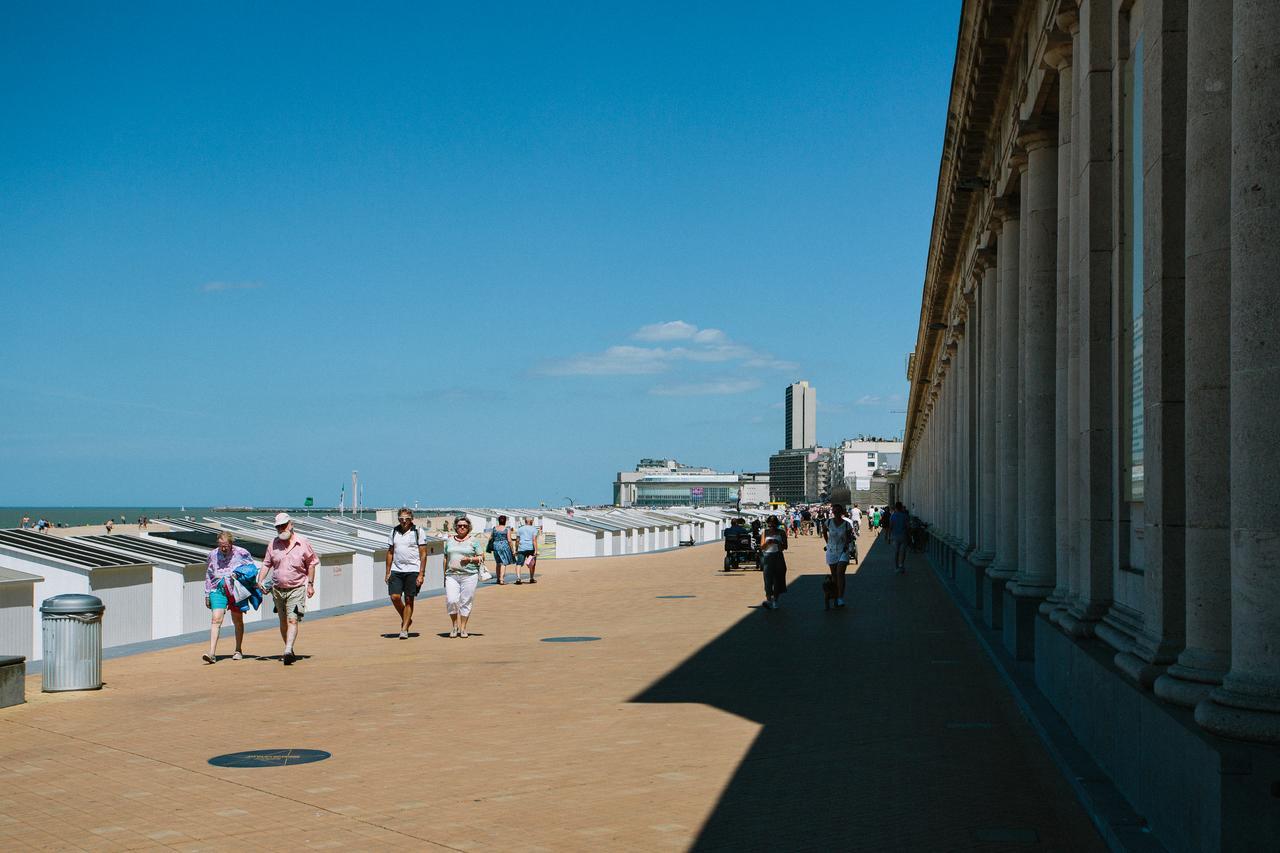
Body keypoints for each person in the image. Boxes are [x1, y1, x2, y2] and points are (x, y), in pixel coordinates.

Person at [257, 512, 317, 665]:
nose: (281, 529)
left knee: (292, 619)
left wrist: (310, 584)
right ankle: (288, 648)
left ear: (291, 525)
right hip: (277, 589)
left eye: (284, 525)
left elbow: (311, 563)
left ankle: (288, 650)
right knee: (283, 622)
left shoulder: (302, 542)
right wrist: (260, 580)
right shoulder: (273, 544)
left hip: (296, 588)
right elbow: (266, 563)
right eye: (278, 527)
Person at [203, 531, 255, 663]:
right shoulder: (213, 555)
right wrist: (207, 593)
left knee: (237, 620)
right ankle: (212, 653)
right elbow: (209, 574)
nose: (223, 548)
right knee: (216, 619)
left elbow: (252, 569)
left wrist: (244, 578)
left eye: (226, 545)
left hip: (236, 590)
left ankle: (238, 649)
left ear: (231, 543)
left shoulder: (242, 553)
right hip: (217, 589)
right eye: (221, 545)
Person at [386, 507, 427, 639]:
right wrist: (387, 572)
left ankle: (404, 628)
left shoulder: (418, 532)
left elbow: (423, 554)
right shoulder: (393, 532)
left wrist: (421, 574)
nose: (404, 521)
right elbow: (390, 552)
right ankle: (407, 618)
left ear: (411, 519)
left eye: (407, 519)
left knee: (409, 598)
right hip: (396, 570)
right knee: (395, 597)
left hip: (413, 570)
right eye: (401, 519)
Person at [444, 516, 484, 637]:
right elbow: (446, 558)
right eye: (460, 525)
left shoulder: (474, 541)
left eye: (465, 526)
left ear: (468, 528)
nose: (462, 527)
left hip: (469, 575)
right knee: (452, 600)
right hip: (451, 574)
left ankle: (463, 628)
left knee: (465, 601)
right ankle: (454, 625)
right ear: (456, 527)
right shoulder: (449, 540)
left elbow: (482, 557)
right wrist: (443, 574)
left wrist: (470, 559)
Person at [821, 503, 857, 608]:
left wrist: (847, 542)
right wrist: (827, 543)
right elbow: (824, 532)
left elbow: (851, 537)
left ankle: (840, 597)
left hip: (843, 550)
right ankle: (835, 595)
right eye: (834, 511)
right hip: (831, 551)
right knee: (834, 575)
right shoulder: (828, 522)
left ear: (842, 512)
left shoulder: (847, 524)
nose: (836, 513)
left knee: (840, 573)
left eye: (838, 511)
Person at [758, 516, 788, 609]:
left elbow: (785, 547)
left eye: (773, 524)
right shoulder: (765, 532)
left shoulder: (781, 532)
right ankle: (768, 599)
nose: (771, 526)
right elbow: (762, 547)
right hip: (767, 556)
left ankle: (775, 600)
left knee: (777, 579)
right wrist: (768, 543)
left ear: (776, 524)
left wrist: (777, 542)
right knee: (767, 579)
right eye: (769, 524)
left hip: (778, 555)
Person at [489, 514, 518, 584]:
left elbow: (491, 537)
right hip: (504, 546)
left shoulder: (494, 528)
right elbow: (509, 540)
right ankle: (501, 579)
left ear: (498, 521)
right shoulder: (507, 529)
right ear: (505, 521)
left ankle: (498, 579)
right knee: (503, 563)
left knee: (498, 563)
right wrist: (512, 550)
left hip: (496, 546)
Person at [515, 517, 540, 584]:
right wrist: (536, 550)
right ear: (531, 522)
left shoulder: (520, 529)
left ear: (525, 521)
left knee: (519, 564)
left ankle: (518, 578)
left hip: (521, 548)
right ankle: (531, 578)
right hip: (530, 548)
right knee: (532, 563)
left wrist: (516, 549)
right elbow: (534, 540)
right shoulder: (534, 529)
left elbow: (517, 540)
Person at [888, 501, 911, 573]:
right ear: (901, 507)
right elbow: (908, 527)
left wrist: (889, 537)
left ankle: (896, 567)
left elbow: (890, 527)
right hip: (903, 535)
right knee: (903, 551)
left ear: (895, 508)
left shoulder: (893, 516)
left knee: (896, 552)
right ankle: (902, 565)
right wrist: (909, 535)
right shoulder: (905, 516)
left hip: (895, 536)